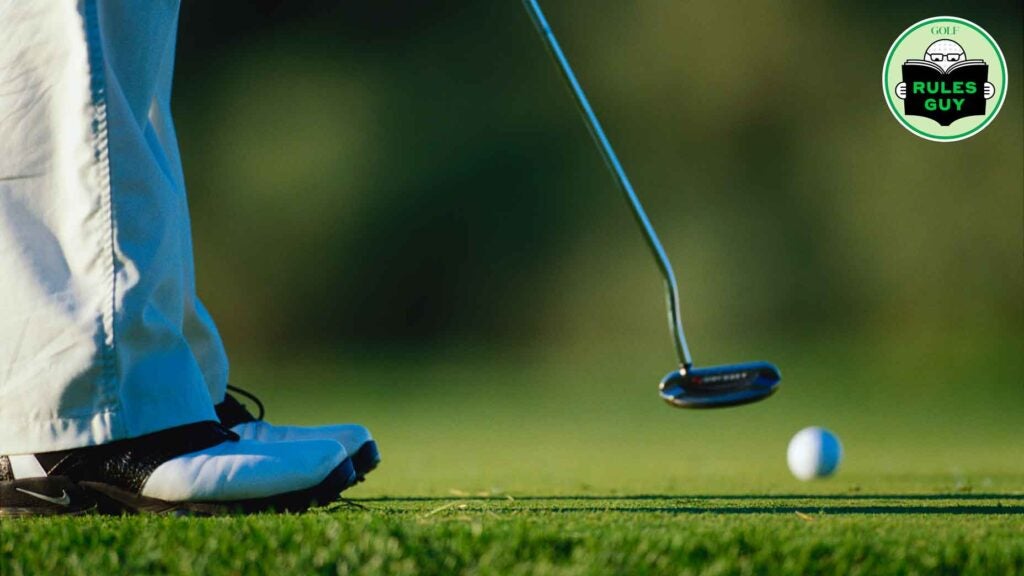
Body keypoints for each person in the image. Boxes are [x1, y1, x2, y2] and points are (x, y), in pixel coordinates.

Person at [0, 0, 378, 516]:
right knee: (59, 28)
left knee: (125, 52)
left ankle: (171, 394)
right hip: (79, 412)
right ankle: (73, 421)